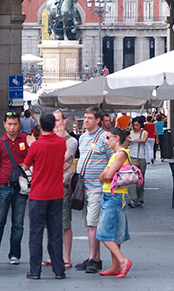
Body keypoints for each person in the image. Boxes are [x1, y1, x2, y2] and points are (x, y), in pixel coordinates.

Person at [23, 111, 66, 279]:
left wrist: (31, 143)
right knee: (55, 232)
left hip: (38, 194)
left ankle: (35, 270)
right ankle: (58, 269)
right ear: (54, 125)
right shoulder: (61, 143)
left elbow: (26, 165)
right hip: (56, 193)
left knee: (36, 233)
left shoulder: (35, 145)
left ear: (39, 126)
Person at [0, 111, 30, 265]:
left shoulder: (25, 139)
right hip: (3, 186)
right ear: (4, 124)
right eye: (9, 124)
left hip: (21, 187)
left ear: (19, 124)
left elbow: (33, 160)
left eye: (15, 124)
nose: (12, 127)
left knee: (18, 223)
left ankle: (14, 254)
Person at [74, 107, 113, 274]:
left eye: (89, 117)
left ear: (97, 120)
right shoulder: (82, 138)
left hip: (97, 188)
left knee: (92, 224)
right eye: (84, 117)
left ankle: (93, 259)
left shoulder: (105, 137)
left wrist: (105, 177)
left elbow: (113, 159)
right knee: (89, 224)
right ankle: (94, 256)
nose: (86, 120)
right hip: (84, 187)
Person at [40, 110, 78, 269]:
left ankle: (66, 257)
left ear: (64, 121)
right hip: (48, 186)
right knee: (50, 224)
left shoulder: (71, 141)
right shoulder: (49, 139)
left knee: (64, 223)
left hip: (62, 186)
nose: (55, 124)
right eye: (53, 120)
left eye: (57, 120)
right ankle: (53, 256)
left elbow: (54, 160)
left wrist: (52, 162)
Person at [97, 128, 133, 278]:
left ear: (116, 138)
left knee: (103, 232)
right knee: (114, 233)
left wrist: (106, 173)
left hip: (114, 196)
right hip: (111, 194)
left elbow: (108, 175)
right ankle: (115, 265)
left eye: (107, 138)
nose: (106, 141)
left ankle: (123, 261)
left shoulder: (121, 153)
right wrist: (106, 174)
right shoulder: (115, 155)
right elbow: (102, 177)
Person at [128, 117, 148, 208]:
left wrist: (132, 140)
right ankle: (132, 198)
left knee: (140, 179)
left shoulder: (144, 133)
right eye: (134, 125)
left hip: (141, 158)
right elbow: (126, 144)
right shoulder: (130, 133)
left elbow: (144, 140)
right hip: (132, 158)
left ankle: (140, 198)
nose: (135, 127)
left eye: (137, 125)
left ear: (141, 125)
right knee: (132, 179)